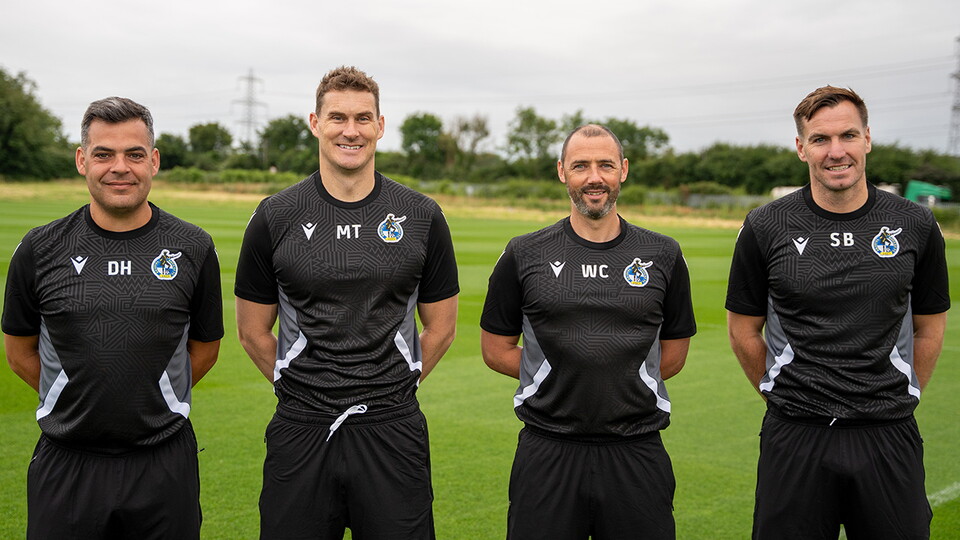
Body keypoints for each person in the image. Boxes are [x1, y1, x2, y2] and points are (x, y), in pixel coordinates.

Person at [235, 66, 459, 540]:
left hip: (392, 429)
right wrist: (299, 388)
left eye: (363, 118)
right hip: (301, 427)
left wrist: (394, 388)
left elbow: (441, 328)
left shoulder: (421, 215)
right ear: (315, 123)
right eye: (337, 117)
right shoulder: (275, 215)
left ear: (380, 125)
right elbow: (253, 332)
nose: (350, 131)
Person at [726, 86, 950, 539]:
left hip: (888, 433)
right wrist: (781, 395)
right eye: (820, 139)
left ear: (867, 138)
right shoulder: (766, 225)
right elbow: (744, 330)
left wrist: (900, 392)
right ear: (800, 148)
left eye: (848, 135)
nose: (836, 151)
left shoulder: (916, 223)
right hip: (796, 435)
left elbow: (929, 327)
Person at [2, 96, 223, 539]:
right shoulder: (40, 249)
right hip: (67, 463)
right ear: (82, 160)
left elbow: (206, 348)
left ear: (154, 161)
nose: (119, 166)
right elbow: (18, 350)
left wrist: (148, 398)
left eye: (134, 154)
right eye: (104, 154)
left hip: (164, 462)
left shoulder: (193, 247)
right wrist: (77, 402)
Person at [480, 124, 697, 540]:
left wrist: (615, 381)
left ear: (623, 171)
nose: (594, 177)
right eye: (581, 165)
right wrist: (562, 378)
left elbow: (674, 353)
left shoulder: (663, 253)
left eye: (605, 165)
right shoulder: (523, 252)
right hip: (547, 450)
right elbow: (495, 349)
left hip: (637, 449)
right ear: (563, 171)